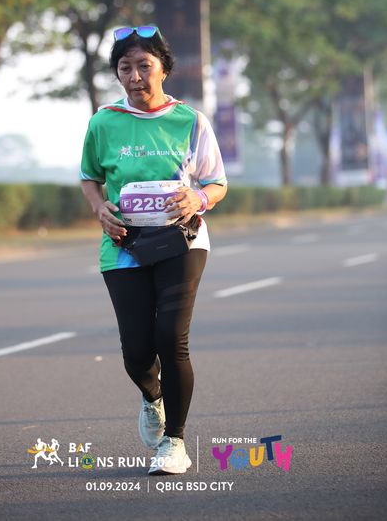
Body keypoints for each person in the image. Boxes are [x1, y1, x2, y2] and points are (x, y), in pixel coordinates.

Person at [80, 25, 227, 475]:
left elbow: (217, 183)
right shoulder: (103, 122)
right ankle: (152, 395)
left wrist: (197, 198)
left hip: (182, 241)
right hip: (124, 245)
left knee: (171, 338)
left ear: (164, 68)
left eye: (144, 66)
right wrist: (100, 209)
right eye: (125, 67)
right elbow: (89, 177)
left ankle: (175, 442)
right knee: (137, 350)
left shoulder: (190, 121)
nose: (135, 76)